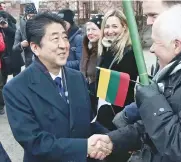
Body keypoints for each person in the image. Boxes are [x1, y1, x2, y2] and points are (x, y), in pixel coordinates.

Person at [92, 5, 181, 162]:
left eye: (156, 42)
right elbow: (152, 128)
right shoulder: (177, 73)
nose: (151, 49)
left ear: (176, 45)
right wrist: (114, 140)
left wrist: (152, 100)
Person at [3, 12, 113, 162]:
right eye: (55, 39)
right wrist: (84, 147)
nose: (64, 45)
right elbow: (35, 142)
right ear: (35, 48)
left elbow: (87, 122)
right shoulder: (16, 88)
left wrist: (108, 139)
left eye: (65, 37)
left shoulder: (77, 78)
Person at [113, 0, 181, 128]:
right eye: (146, 16)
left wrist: (131, 113)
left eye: (154, 15)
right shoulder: (164, 50)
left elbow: (168, 100)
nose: (148, 22)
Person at [96, 9, 138, 131]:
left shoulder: (128, 52)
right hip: (105, 108)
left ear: (124, 27)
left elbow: (125, 88)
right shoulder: (107, 49)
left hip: (117, 114)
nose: (109, 31)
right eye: (107, 27)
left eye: (115, 26)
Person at [80, 14, 104, 114]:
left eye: (94, 29)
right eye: (88, 30)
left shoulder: (104, 50)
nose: (90, 33)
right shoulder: (87, 47)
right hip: (88, 92)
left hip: (100, 96)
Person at [0, 11, 16, 115]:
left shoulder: (9, 24)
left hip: (8, 58)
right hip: (2, 59)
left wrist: (6, 27)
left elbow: (15, 34)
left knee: (3, 83)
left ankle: (2, 104)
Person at [13, 3, 37, 68]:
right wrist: (21, 45)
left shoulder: (40, 25)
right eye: (29, 16)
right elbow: (15, 48)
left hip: (41, 59)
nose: (32, 18)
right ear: (26, 16)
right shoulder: (20, 28)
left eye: (34, 16)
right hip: (28, 61)